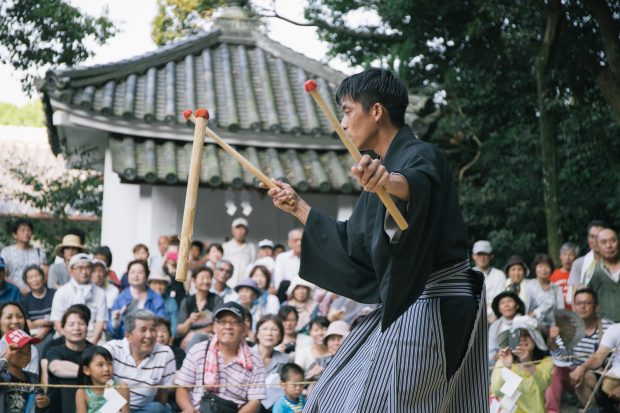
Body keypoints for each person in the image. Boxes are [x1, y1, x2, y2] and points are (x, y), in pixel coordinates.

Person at [264, 68, 487, 412]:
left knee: (372, 405)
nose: (344, 122)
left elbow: (416, 183)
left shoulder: (418, 155)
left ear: (377, 111)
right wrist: (299, 208)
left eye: (349, 111)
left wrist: (389, 182)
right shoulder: (376, 173)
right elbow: (352, 245)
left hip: (437, 304)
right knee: (327, 395)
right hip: (408, 304)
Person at [175, 301, 266, 413]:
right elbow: (182, 388)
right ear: (214, 327)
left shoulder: (254, 360)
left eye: (234, 322)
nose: (228, 327)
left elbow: (255, 401)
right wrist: (188, 409)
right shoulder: (198, 350)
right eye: (222, 322)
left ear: (244, 328)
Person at [546, 288, 613, 413]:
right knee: (553, 369)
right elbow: (562, 358)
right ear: (574, 307)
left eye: (587, 303)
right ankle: (552, 410)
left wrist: (585, 368)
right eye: (578, 303)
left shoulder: (608, 327)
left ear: (596, 306)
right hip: (573, 374)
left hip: (601, 375)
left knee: (584, 375)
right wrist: (553, 342)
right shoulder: (567, 328)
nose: (582, 307)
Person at [104, 310, 176, 413]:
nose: (149, 335)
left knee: (159, 408)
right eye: (143, 330)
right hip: (112, 407)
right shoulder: (112, 349)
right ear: (128, 335)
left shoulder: (165, 354)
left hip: (144, 410)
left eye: (153, 329)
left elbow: (161, 398)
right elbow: (95, 387)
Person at [491, 316, 553, 413]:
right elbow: (497, 392)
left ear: (536, 339)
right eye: (518, 335)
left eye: (527, 334)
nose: (523, 338)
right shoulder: (503, 361)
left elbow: (544, 385)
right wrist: (506, 367)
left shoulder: (547, 361)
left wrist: (527, 362)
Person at [50, 253, 108, 344]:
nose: (84, 272)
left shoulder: (100, 293)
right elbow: (57, 322)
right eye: (80, 268)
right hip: (65, 337)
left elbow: (100, 321)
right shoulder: (62, 292)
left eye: (88, 268)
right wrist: (70, 343)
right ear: (71, 270)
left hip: (92, 337)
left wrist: (91, 344)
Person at [47, 305, 94, 413]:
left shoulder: (95, 351)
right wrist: (89, 371)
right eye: (71, 324)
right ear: (63, 328)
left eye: (81, 324)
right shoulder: (54, 350)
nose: (76, 328)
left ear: (87, 327)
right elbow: (56, 368)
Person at [570, 322, 620, 412]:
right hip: (612, 378)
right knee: (582, 378)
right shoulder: (615, 329)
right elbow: (598, 357)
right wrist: (582, 368)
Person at [0, 329, 49, 412]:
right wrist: (6, 356)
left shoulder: (33, 378)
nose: (26, 355)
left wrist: (44, 404)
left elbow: (37, 407)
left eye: (29, 350)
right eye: (20, 352)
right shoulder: (2, 377)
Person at [177, 266, 222, 349]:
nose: (206, 281)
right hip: (187, 341)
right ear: (194, 280)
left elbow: (218, 325)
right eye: (202, 278)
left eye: (208, 278)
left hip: (209, 339)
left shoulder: (216, 300)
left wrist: (194, 333)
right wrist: (189, 321)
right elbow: (179, 331)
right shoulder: (187, 301)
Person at [76, 346, 130, 413]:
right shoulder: (82, 392)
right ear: (86, 370)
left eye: (109, 364)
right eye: (100, 365)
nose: (106, 369)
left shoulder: (121, 387)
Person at [1, 218, 48, 294]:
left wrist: (34, 289)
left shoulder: (39, 253)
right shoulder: (6, 252)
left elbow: (45, 275)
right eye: (22, 230)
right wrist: (18, 289)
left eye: (28, 230)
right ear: (14, 234)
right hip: (13, 293)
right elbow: (2, 275)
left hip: (35, 294)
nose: (26, 233)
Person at [253, 315, 289, 412]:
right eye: (265, 329)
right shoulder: (246, 356)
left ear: (280, 336)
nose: (269, 333)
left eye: (274, 329)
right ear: (257, 334)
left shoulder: (285, 360)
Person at [587, 228, 620, 322]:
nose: (609, 246)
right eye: (604, 242)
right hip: (604, 326)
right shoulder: (591, 271)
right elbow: (585, 299)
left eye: (613, 241)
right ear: (597, 247)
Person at [19, 265, 55, 348]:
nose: (35, 279)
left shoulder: (54, 294)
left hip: (53, 333)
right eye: (31, 277)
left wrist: (45, 329)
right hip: (33, 334)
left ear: (43, 278)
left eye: (37, 276)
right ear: (26, 282)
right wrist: (39, 323)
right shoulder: (24, 300)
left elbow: (58, 319)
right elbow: (28, 325)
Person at [471, 240, 507, 324]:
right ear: (473, 256)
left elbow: (498, 299)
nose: (482, 258)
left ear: (491, 256)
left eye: (485, 254)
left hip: (494, 317)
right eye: (479, 254)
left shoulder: (499, 275)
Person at [0, 302, 40, 375]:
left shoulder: (31, 349)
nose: (15, 321)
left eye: (19, 316)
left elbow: (31, 382)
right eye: (9, 317)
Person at [526, 253, 564, 330]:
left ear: (551, 269)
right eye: (540, 266)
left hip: (553, 328)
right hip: (533, 327)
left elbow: (561, 311)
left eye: (547, 266)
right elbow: (526, 309)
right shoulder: (529, 285)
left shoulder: (556, 288)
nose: (543, 270)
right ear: (535, 268)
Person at [488, 291, 526, 366]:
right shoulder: (494, 326)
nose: (506, 305)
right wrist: (498, 356)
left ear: (517, 305)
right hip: (500, 363)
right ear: (499, 309)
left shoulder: (526, 321)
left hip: (524, 361)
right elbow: (490, 351)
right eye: (502, 303)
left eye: (510, 301)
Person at [569, 220, 608, 288]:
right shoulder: (579, 264)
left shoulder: (616, 263)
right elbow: (575, 294)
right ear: (588, 238)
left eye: (599, 236)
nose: (595, 241)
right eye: (592, 237)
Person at [223, 218, 256, 287]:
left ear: (246, 231)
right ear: (232, 230)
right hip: (228, 284)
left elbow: (252, 266)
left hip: (245, 284)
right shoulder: (225, 246)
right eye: (238, 228)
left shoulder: (251, 247)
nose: (240, 231)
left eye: (243, 228)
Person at [148, 268, 178, 339]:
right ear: (149, 285)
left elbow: (174, 323)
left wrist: (171, 338)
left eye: (161, 283)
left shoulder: (171, 302)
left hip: (165, 338)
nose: (158, 287)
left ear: (166, 285)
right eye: (155, 283)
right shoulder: (145, 300)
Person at [272, 229, 303, 301]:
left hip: (304, 294)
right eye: (296, 240)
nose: (299, 243)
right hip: (285, 294)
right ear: (289, 243)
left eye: (302, 240)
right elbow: (278, 283)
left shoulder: (311, 259)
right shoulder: (281, 257)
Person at [550, 242, 578, 309]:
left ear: (576, 258)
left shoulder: (578, 274)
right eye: (564, 254)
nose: (567, 258)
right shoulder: (553, 274)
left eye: (571, 255)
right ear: (560, 257)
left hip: (575, 313)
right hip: (558, 313)